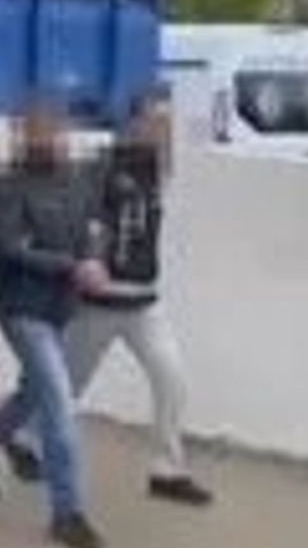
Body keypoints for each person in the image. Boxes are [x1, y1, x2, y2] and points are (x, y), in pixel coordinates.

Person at [0, 99, 107, 548]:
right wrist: (72, 267)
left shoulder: (78, 180)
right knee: (59, 403)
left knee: (34, 392)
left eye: (55, 129)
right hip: (19, 307)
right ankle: (67, 513)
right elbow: (9, 247)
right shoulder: (6, 185)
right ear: (22, 135)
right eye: (38, 130)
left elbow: (93, 229)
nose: (49, 137)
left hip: (60, 306)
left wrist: (93, 256)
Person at [64, 96, 213, 507]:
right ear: (131, 124)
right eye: (154, 121)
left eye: (166, 122)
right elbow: (85, 220)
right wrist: (90, 259)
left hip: (145, 303)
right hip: (101, 301)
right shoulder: (101, 167)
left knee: (172, 379)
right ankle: (16, 441)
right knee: (66, 384)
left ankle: (168, 471)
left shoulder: (157, 169)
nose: (163, 129)